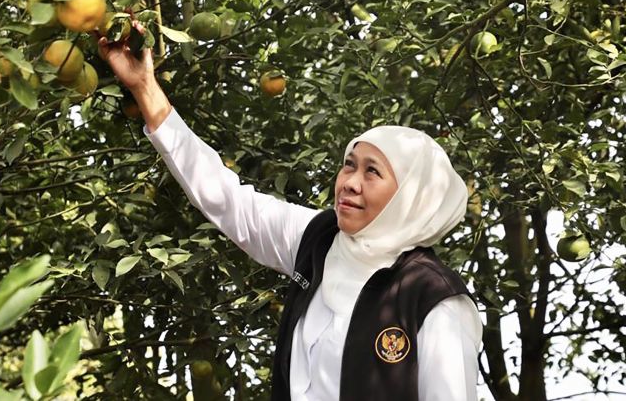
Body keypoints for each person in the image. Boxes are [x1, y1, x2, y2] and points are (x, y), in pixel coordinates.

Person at [98, 41, 483, 401]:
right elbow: (227, 200)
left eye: (372, 172)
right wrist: (145, 87)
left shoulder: (434, 300)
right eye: (349, 165)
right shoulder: (318, 241)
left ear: (410, 198)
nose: (349, 183)